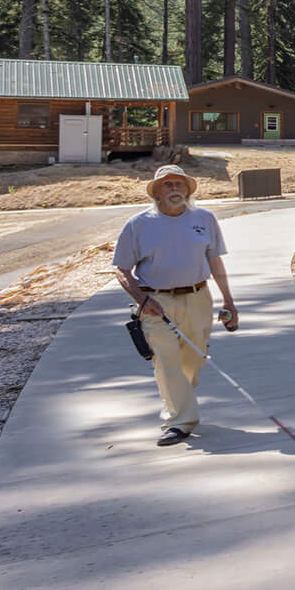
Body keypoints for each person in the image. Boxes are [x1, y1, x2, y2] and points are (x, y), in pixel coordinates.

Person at [111, 165, 239, 445]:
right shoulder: (138, 224)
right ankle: (179, 421)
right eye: (167, 185)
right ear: (156, 192)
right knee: (167, 362)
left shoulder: (204, 219)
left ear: (188, 190)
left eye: (179, 185)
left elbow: (215, 262)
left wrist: (229, 300)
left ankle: (179, 402)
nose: (174, 190)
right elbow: (121, 269)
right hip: (155, 302)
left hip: (198, 297)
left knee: (193, 361)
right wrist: (143, 300)